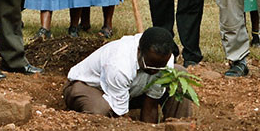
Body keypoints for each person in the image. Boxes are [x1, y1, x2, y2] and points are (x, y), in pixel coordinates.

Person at [64, 26, 193, 122]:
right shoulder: (119, 64)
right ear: (139, 51)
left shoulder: (164, 60)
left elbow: (151, 102)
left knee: (179, 74)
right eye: (150, 64)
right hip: (87, 87)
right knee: (101, 111)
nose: (154, 70)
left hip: (129, 91)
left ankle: (181, 125)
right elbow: (121, 116)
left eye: (159, 67)